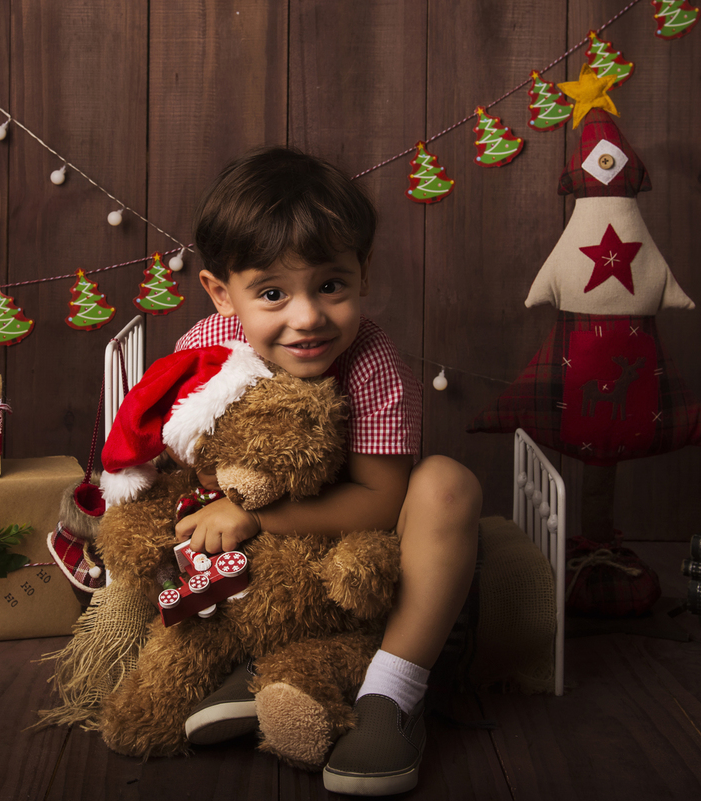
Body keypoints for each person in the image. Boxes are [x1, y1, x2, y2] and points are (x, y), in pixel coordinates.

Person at [173, 146, 481, 795]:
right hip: (267, 586)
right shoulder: (203, 353)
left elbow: (380, 498)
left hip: (357, 569)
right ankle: (257, 662)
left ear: (363, 272)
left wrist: (254, 512)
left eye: (330, 284)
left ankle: (389, 695)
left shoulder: (370, 361)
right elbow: (187, 465)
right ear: (222, 293)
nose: (308, 316)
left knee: (448, 484)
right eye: (273, 292)